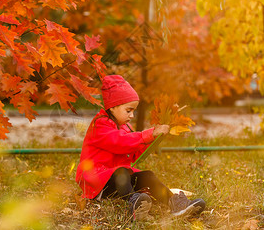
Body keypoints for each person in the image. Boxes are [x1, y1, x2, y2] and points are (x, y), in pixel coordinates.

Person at [75, 75, 206, 220]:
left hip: (116, 178)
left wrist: (152, 140)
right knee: (122, 172)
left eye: (133, 111)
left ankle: (175, 204)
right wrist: (147, 135)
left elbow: (132, 153)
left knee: (147, 176)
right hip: (96, 181)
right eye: (128, 110)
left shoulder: (125, 126)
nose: (131, 115)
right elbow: (120, 143)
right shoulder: (100, 125)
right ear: (113, 107)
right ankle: (135, 202)